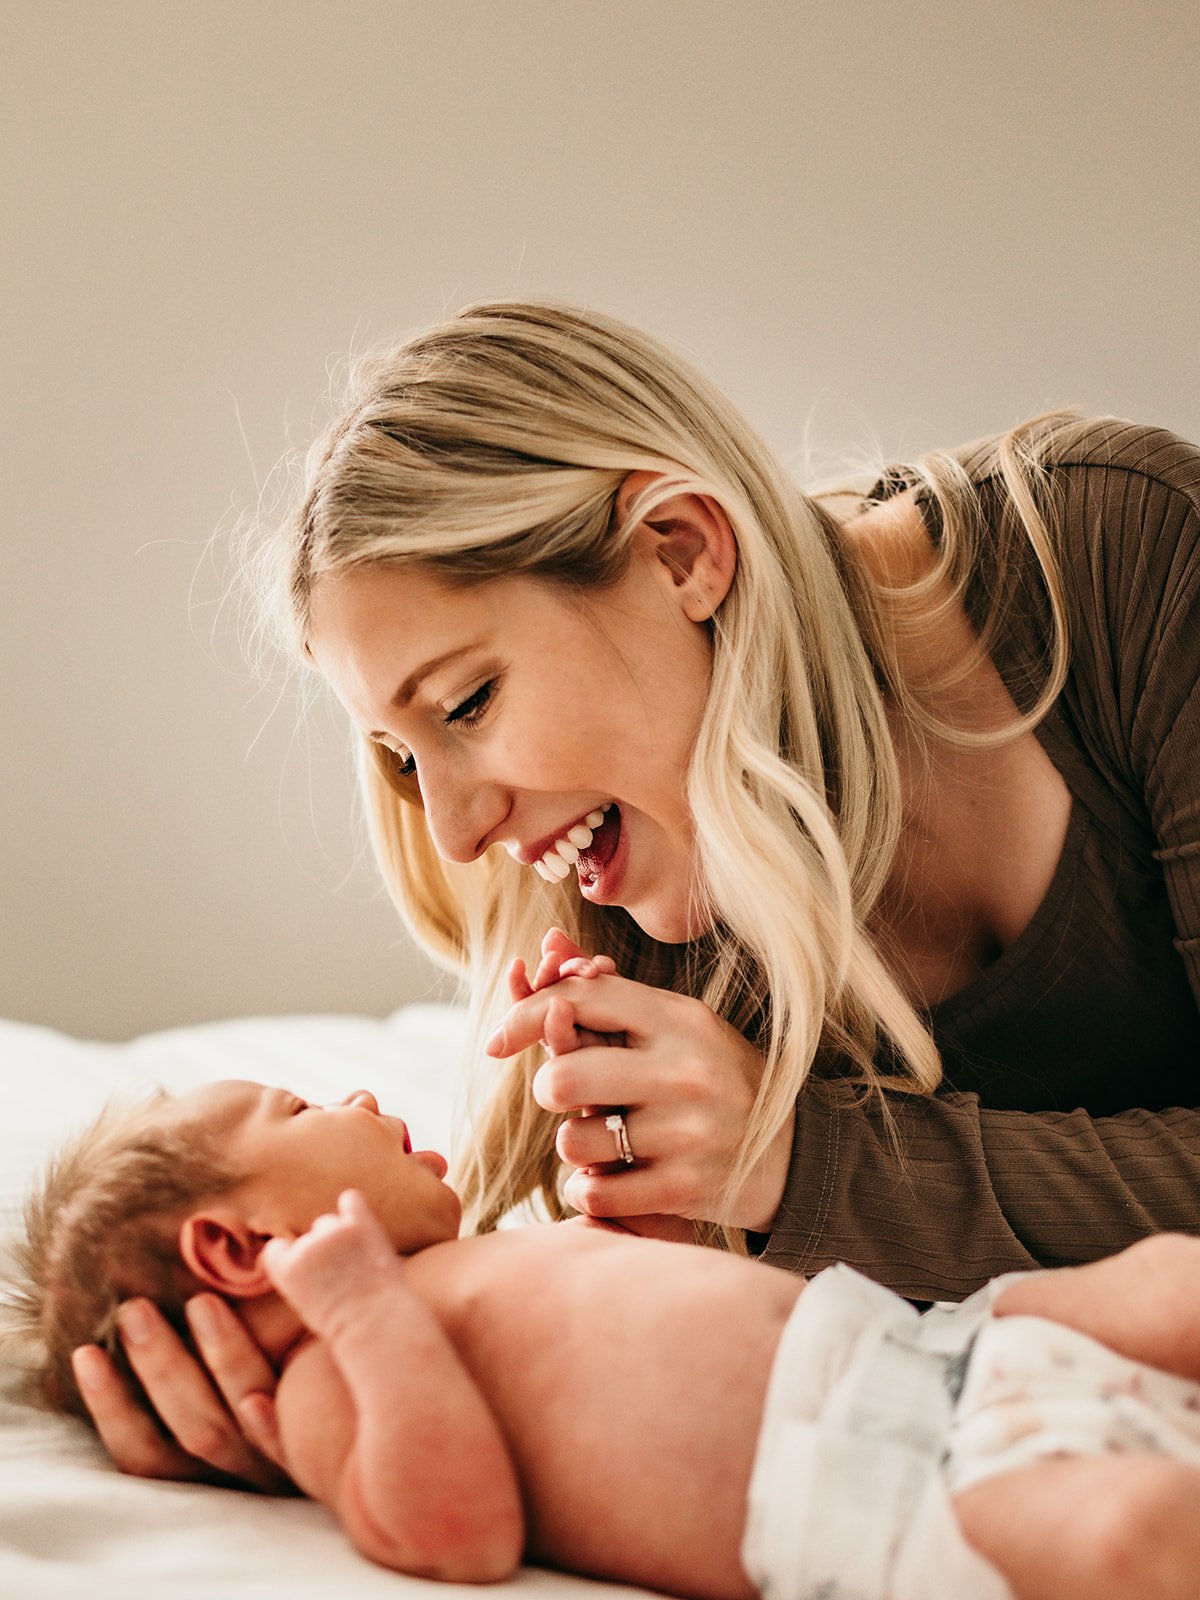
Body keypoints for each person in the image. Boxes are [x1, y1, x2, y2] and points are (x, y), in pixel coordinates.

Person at [81, 300, 1200, 1482]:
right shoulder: (651, 945)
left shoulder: (1128, 561)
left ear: (682, 552)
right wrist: (283, 1362)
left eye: (466, 705)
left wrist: (806, 1163)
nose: (457, 834)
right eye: (404, 759)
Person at [10, 1072, 1200, 1600]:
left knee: (1164, 1284)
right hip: (887, 1497)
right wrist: (363, 1313)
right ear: (238, 1245)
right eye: (303, 1109)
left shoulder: (470, 1266)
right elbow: (457, 1536)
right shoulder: (336, 1381)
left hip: (940, 1349)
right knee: (1127, 1535)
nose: (360, 1101)